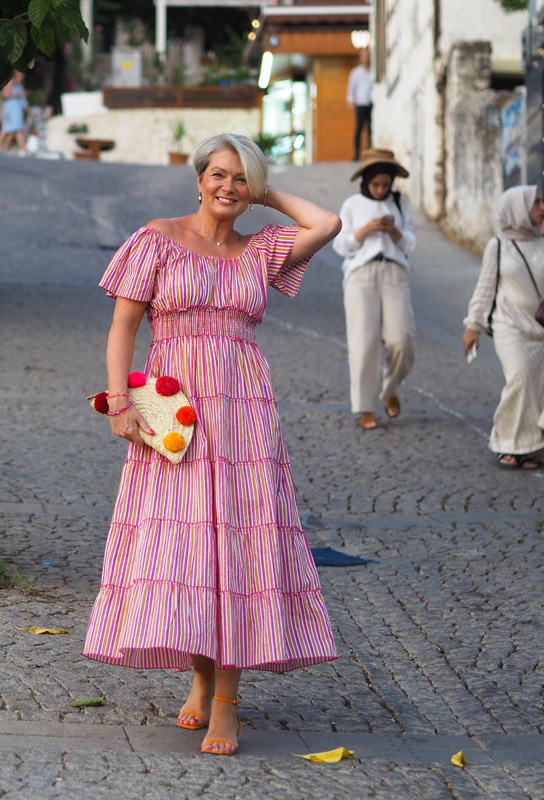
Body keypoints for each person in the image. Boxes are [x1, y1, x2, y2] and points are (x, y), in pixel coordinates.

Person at [83, 133, 341, 756]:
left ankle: (227, 700)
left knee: (239, 550)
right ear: (198, 178)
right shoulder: (157, 239)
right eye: (218, 175)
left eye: (240, 180)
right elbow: (123, 327)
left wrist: (264, 188)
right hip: (174, 414)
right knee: (188, 551)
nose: (228, 187)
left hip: (244, 421)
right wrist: (119, 403)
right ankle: (200, 679)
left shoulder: (262, 250)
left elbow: (328, 221)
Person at [333, 148, 416, 430]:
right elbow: (340, 245)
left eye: (385, 184)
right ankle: (366, 407)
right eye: (375, 184)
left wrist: (393, 232)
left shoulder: (400, 202)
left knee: (402, 340)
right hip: (361, 275)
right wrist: (365, 230)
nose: (381, 189)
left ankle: (389, 389)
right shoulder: (352, 204)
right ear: (366, 180)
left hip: (394, 272)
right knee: (363, 342)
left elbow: (411, 245)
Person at [462, 185, 544, 469]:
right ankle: (508, 442)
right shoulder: (498, 246)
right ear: (518, 208)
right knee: (520, 379)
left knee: (537, 388)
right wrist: (473, 325)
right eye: (535, 203)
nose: (542, 207)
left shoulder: (542, 241)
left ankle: (530, 447)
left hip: (540, 329)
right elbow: (485, 288)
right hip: (510, 327)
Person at [347, 49, 372, 161]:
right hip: (361, 103)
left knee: (371, 129)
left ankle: (371, 152)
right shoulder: (356, 73)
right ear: (361, 58)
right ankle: (357, 154)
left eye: (367, 55)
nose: (366, 58)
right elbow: (351, 88)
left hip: (371, 103)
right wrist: (351, 101)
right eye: (364, 56)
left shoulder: (373, 71)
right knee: (359, 129)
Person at [0, 71, 28, 155]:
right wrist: (17, 95)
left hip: (17, 109)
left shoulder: (19, 85)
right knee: (12, 129)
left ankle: (5, 147)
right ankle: (23, 148)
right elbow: (5, 95)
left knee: (11, 129)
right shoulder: (11, 83)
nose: (22, 78)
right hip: (11, 109)